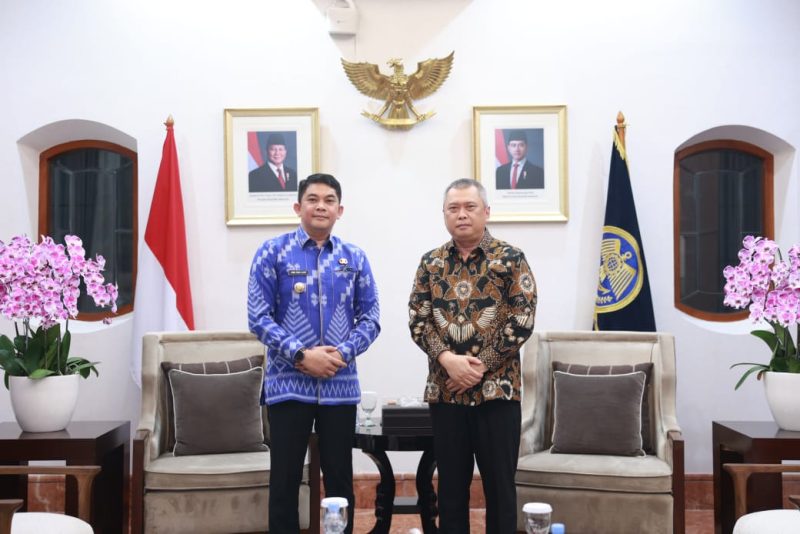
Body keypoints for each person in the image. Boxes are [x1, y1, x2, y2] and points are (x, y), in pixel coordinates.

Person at [248, 173, 380, 533]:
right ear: (298, 206)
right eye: (312, 199)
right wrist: (301, 355)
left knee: (340, 478)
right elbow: (258, 318)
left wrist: (340, 354)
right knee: (285, 480)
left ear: (340, 210)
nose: (320, 205)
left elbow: (370, 318)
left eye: (328, 200)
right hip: (288, 385)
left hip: (340, 386)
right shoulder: (271, 252)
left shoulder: (355, 257)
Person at [408, 178, 537, 533]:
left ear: (486, 211)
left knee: (499, 489)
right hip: (446, 392)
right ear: (445, 215)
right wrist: (449, 360)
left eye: (470, 207)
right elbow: (418, 320)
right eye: (454, 208)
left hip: (498, 392)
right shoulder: (430, 263)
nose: (461, 215)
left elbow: (522, 319)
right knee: (450, 489)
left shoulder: (511, 259)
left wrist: (480, 367)